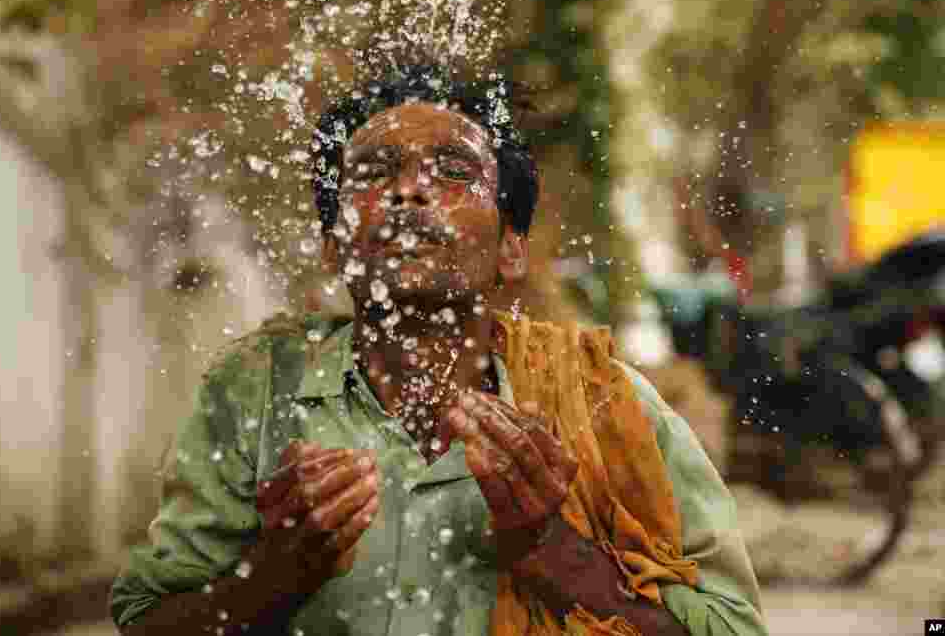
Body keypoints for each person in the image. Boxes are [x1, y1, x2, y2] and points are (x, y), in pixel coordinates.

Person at [110, 64, 767, 636]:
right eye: (371, 172)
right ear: (335, 245)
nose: (409, 190)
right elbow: (145, 621)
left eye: (454, 171)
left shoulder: (604, 404)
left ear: (512, 247)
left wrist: (555, 546)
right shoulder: (253, 395)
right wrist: (271, 575)